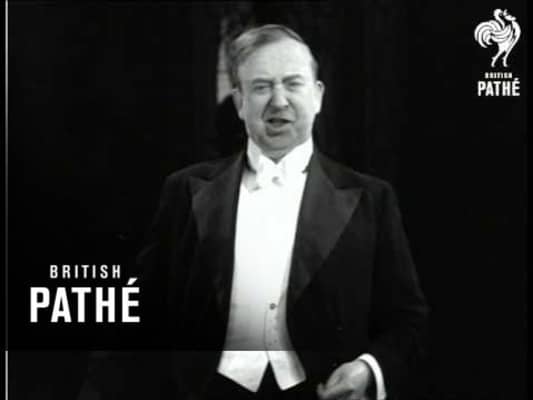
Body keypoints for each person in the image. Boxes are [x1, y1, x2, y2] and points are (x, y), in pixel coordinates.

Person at [135, 24, 428, 400]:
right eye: (261, 87)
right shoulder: (184, 190)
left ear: (318, 95)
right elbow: (143, 313)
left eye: (293, 84)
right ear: (240, 102)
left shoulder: (373, 199)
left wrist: (369, 368)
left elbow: (408, 321)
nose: (278, 101)